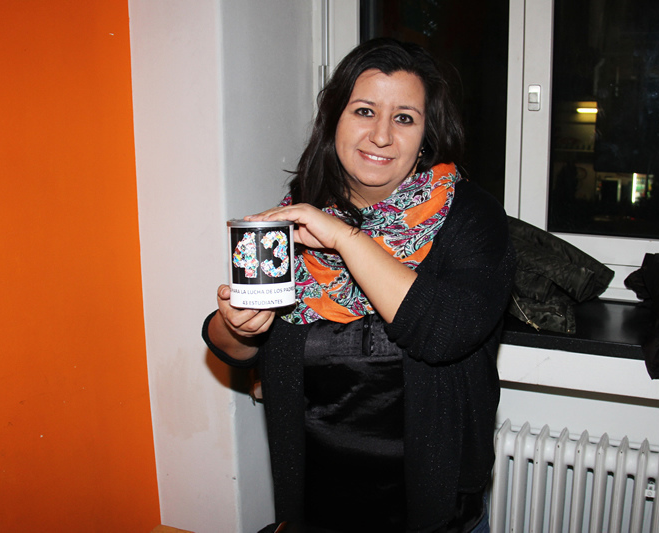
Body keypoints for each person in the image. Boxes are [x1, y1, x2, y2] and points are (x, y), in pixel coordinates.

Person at [202, 38, 515, 533]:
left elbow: (446, 332)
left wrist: (346, 240)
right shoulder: (296, 216)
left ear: (426, 135)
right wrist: (236, 326)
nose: (381, 135)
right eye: (364, 111)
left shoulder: (472, 217)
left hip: (431, 511)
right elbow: (237, 349)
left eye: (404, 118)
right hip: (316, 507)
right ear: (335, 120)